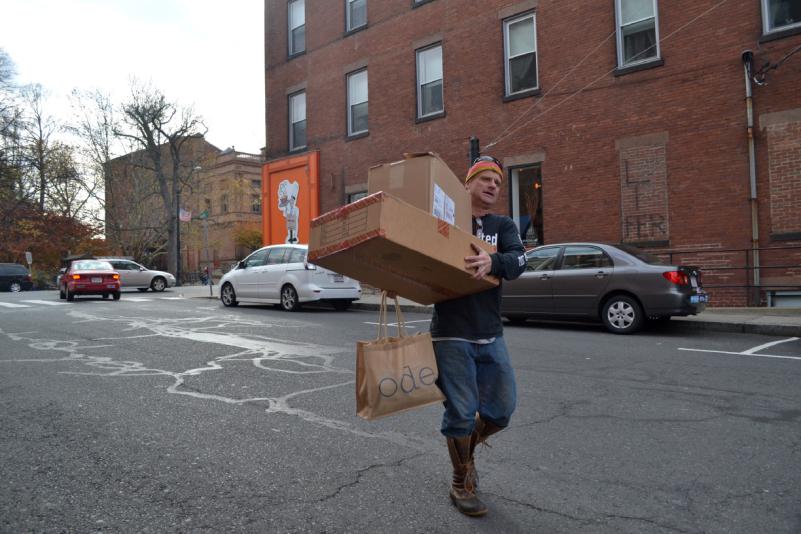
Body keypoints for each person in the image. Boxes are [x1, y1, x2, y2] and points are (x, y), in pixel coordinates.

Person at [429, 155, 526, 517]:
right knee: (461, 412)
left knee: (502, 410)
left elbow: (519, 261)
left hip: (490, 331)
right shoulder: (447, 218)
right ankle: (461, 479)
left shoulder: (502, 226)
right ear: (467, 183)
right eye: (485, 179)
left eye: (498, 182)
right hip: (451, 331)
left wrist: (493, 261)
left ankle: (464, 449)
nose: (492, 186)